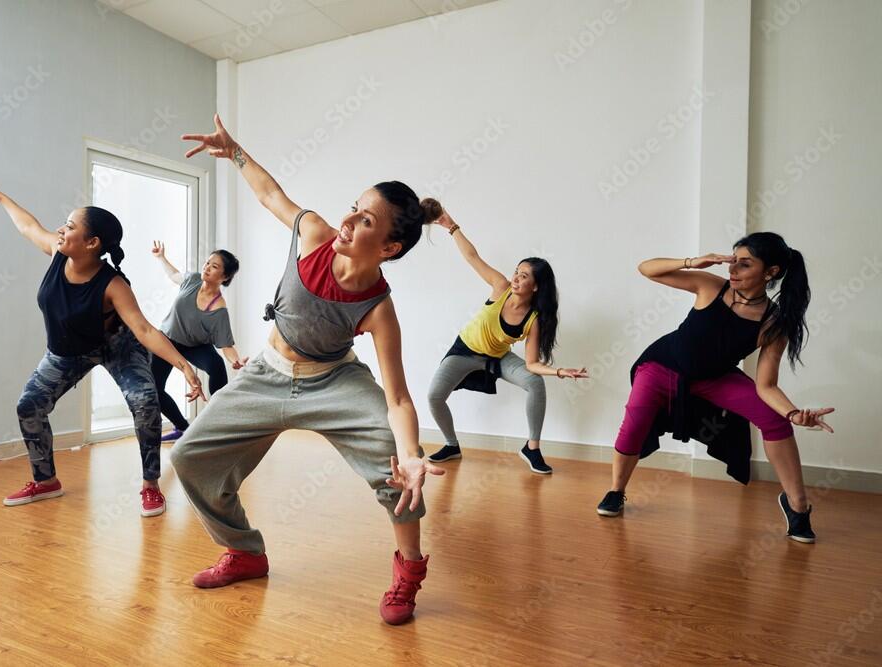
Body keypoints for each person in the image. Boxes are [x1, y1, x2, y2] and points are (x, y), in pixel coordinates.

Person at [170, 115, 444, 625]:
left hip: (334, 381)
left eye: (366, 220)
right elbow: (270, 194)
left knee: (398, 473)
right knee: (189, 456)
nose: (349, 219)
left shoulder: (378, 307)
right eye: (354, 207)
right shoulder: (315, 234)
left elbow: (398, 398)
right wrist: (235, 152)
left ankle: (409, 570)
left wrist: (411, 454)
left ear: (389, 248)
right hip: (268, 373)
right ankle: (244, 552)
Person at [0, 172, 205, 517]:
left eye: (69, 226)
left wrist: (184, 366)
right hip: (68, 351)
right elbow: (28, 226)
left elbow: (143, 329)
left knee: (145, 402)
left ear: (92, 243)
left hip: (118, 347)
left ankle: (150, 485)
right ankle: (46, 481)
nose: (61, 230)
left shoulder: (113, 284)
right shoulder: (57, 253)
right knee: (29, 405)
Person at [596, 233, 834, 543]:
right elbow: (646, 269)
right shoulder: (710, 286)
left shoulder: (774, 323)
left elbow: (766, 385)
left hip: (715, 377)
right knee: (635, 422)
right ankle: (616, 491)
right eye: (733, 262)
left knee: (774, 418)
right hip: (661, 366)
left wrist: (793, 413)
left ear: (771, 272)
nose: (733, 270)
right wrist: (692, 262)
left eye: (744, 264)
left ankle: (797, 505)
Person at [426, 212, 588, 474]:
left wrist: (559, 371)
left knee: (534, 382)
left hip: (496, 358)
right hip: (464, 351)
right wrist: (451, 226)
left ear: (536, 286)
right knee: (434, 396)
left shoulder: (533, 319)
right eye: (517, 272)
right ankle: (451, 445)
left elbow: (532, 364)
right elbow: (472, 257)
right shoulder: (500, 287)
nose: (515, 278)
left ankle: (532, 448)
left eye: (524, 276)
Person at [150, 242, 247, 441]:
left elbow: (226, 345)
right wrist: (161, 258)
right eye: (207, 262)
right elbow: (174, 275)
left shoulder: (218, 308)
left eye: (214, 266)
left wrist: (235, 361)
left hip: (195, 346)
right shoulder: (193, 280)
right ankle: (182, 428)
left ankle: (219, 424)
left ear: (224, 277)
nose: (207, 267)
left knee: (217, 365)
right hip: (167, 340)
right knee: (153, 388)